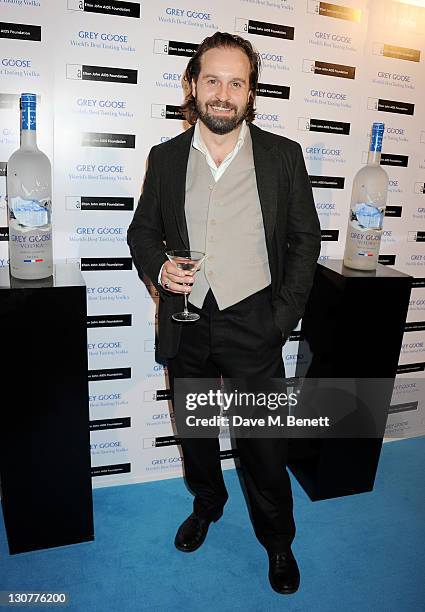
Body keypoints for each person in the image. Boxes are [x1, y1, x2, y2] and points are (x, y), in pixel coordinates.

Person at [127, 32, 321, 595]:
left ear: (250, 92)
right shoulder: (164, 158)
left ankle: (278, 539)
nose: (223, 93)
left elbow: (304, 241)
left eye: (237, 83)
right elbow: (142, 232)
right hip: (186, 321)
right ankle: (208, 504)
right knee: (196, 433)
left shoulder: (284, 156)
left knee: (263, 443)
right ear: (192, 85)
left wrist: (280, 319)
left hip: (254, 319)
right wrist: (159, 269)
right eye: (212, 80)